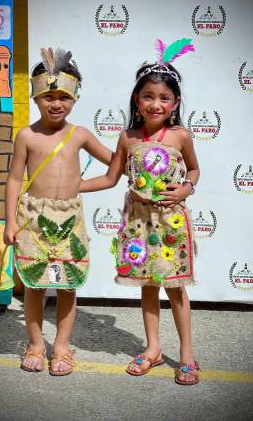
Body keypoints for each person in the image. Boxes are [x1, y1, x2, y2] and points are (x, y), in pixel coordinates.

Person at [80, 39, 200, 384]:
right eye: (148, 96)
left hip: (171, 222)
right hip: (138, 224)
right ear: (137, 99)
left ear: (175, 102)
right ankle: (152, 349)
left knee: (175, 287)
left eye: (164, 98)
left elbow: (194, 170)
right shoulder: (127, 138)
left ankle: (188, 355)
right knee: (148, 286)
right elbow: (109, 177)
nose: (155, 104)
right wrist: (72, 186)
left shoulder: (181, 136)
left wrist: (188, 187)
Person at [3, 47, 113, 375]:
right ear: (36, 98)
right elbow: (12, 180)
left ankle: (62, 347)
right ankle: (36, 344)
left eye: (63, 96)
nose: (56, 103)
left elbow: (114, 168)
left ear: (75, 99)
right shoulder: (27, 136)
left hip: (69, 223)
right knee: (36, 285)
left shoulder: (80, 135)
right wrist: (10, 221)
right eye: (48, 96)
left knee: (66, 285)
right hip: (34, 221)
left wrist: (79, 186)